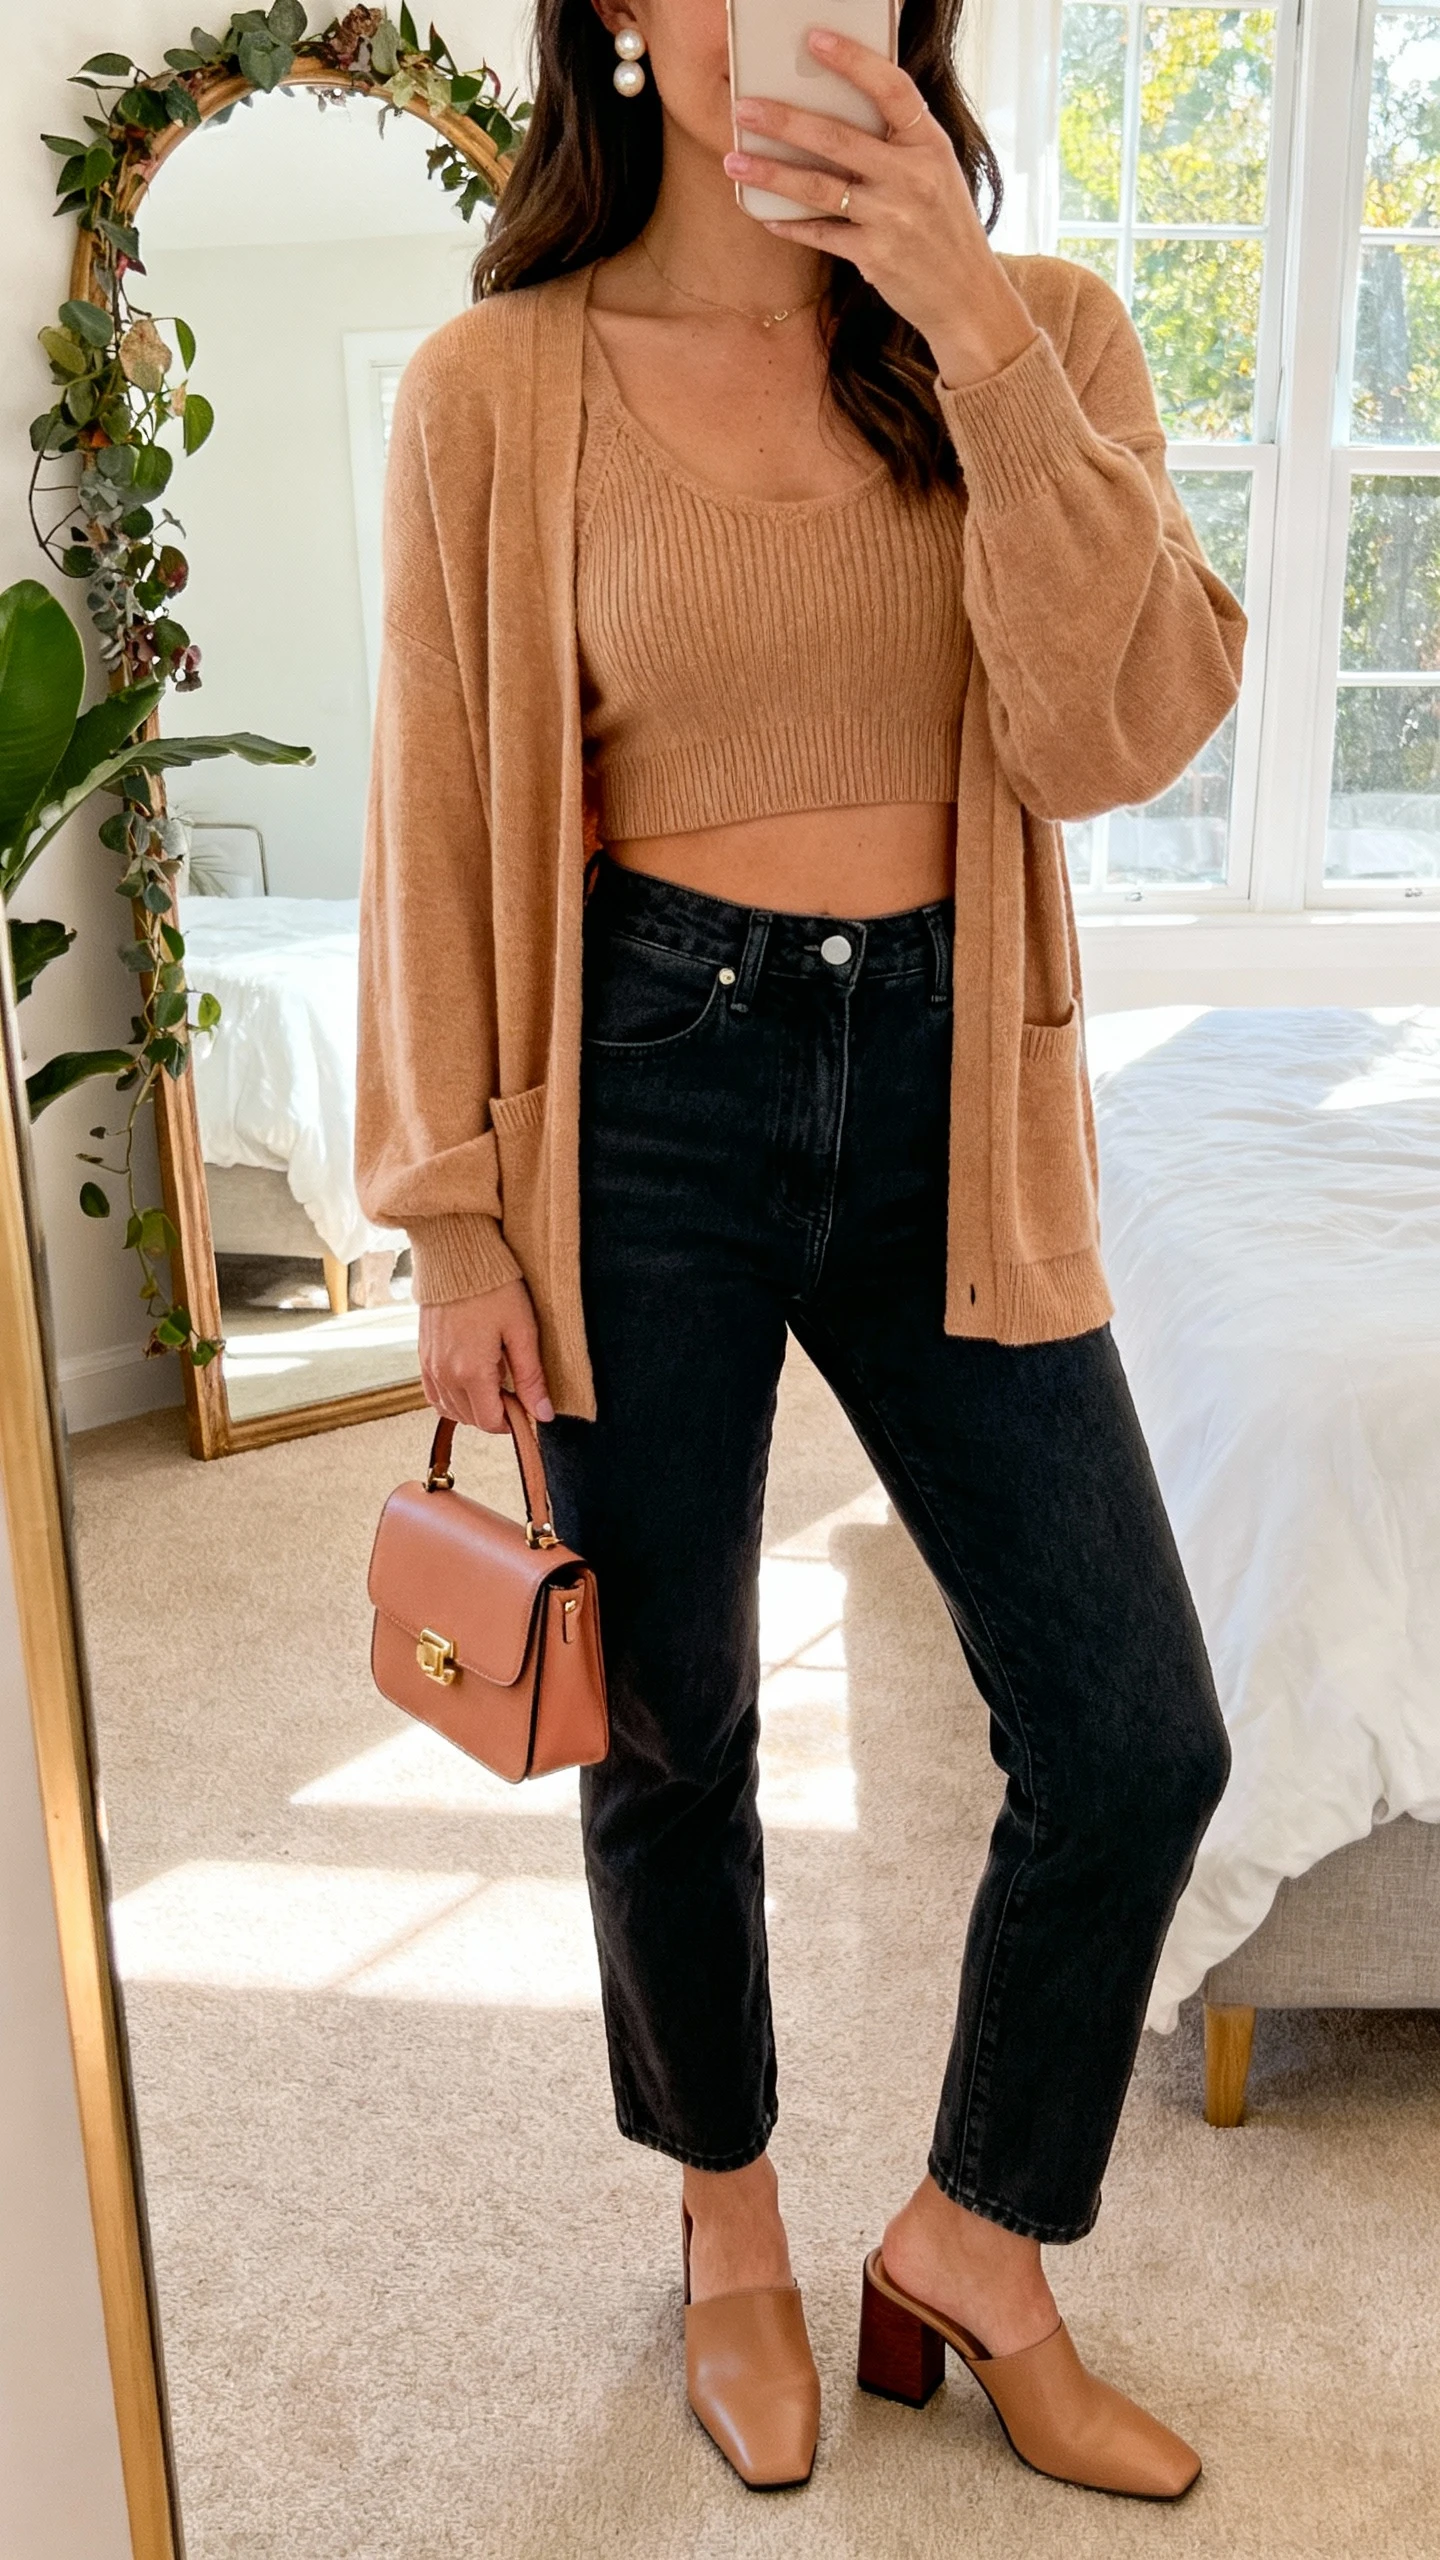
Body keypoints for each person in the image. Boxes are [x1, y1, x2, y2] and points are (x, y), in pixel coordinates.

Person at [355, 0, 1245, 2503]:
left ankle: (977, 2235)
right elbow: (435, 804)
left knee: (1134, 1724)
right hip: (638, 1084)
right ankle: (728, 2228)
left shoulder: (1038, 332)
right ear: (626, 14)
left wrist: (967, 313)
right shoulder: (492, 390)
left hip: (953, 1075)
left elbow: (1132, 724)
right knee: (672, 1720)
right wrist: (452, 1211)